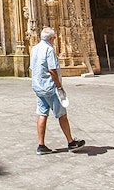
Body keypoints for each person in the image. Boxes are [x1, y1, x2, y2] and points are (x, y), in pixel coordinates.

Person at [30, 27, 85, 155]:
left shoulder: (34, 49)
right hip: (50, 88)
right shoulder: (49, 50)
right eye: (54, 38)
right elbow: (52, 70)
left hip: (38, 87)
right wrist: (59, 87)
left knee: (42, 114)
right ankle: (71, 142)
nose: (55, 40)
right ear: (51, 38)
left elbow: (32, 68)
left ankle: (41, 145)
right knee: (62, 115)